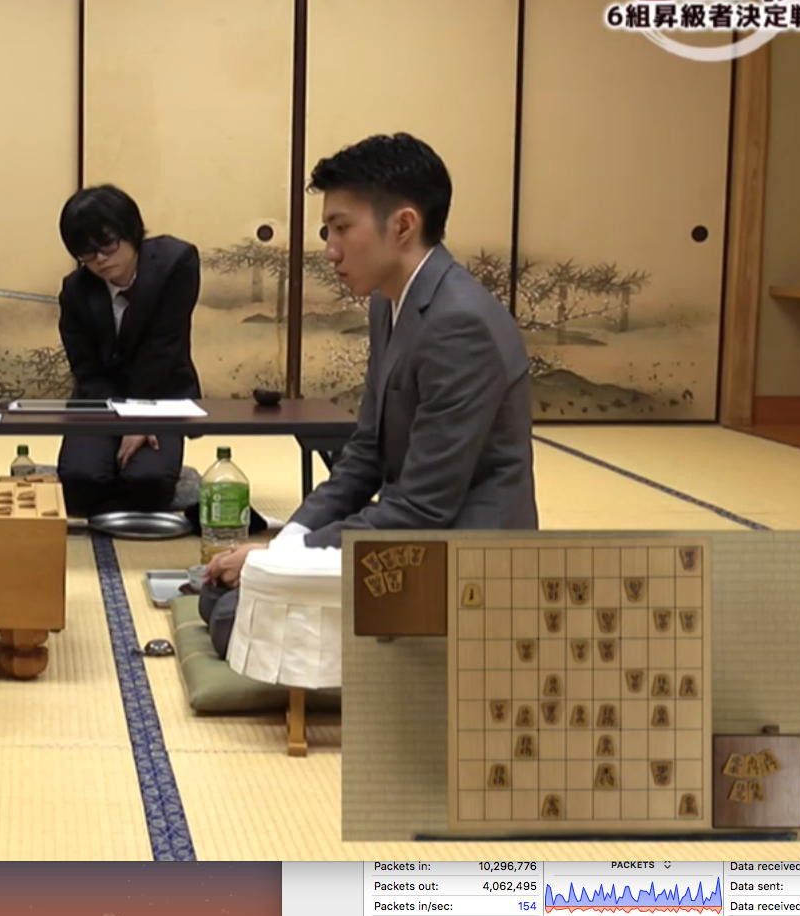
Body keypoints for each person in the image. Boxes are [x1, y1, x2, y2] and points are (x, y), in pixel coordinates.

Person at [197, 133, 539, 657]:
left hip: (460, 560)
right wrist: (289, 542)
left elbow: (422, 508)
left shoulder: (460, 324)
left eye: (341, 228)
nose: (330, 250)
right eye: (327, 231)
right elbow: (365, 454)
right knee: (222, 598)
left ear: (402, 225)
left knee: (234, 615)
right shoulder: (388, 301)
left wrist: (279, 562)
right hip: (409, 535)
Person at [54, 186, 201, 516]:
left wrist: (141, 417)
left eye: (107, 245)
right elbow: (86, 368)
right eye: (86, 253)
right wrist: (125, 421)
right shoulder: (75, 290)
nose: (100, 259)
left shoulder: (175, 262)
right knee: (79, 484)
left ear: (131, 232)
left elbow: (164, 348)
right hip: (100, 400)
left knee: (147, 485)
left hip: (160, 394)